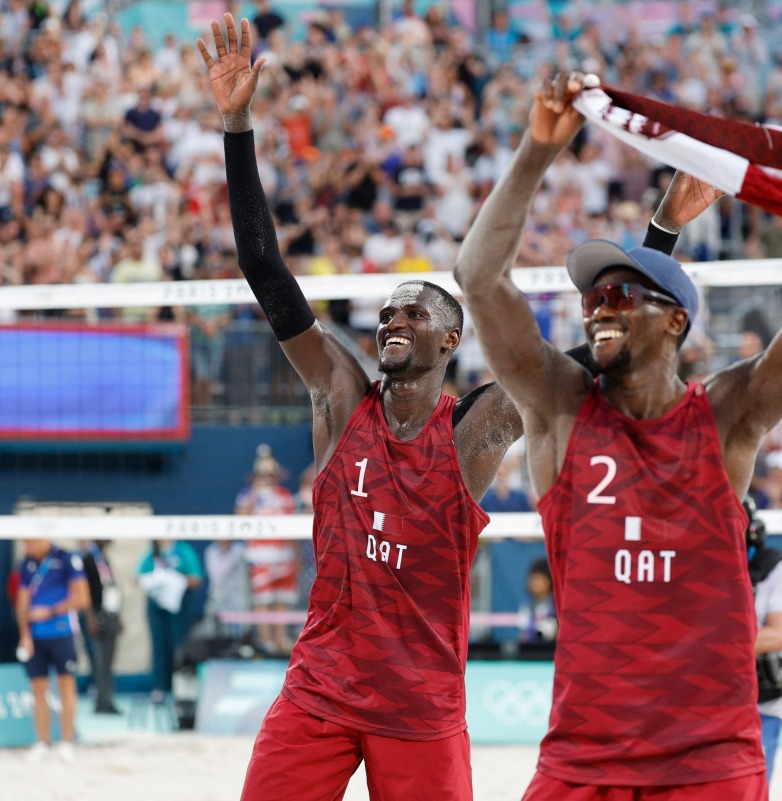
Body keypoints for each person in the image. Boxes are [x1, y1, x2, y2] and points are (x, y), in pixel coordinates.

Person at [454, 71, 782, 798]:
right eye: (592, 297)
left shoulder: (727, 414)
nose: (596, 309)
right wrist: (535, 150)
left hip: (707, 759)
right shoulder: (560, 408)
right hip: (583, 763)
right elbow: (479, 279)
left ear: (675, 320)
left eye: (619, 295)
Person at [197, 16, 596, 800]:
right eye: (386, 312)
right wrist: (238, 126)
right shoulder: (342, 396)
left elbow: (595, 359)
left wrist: (662, 236)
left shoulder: (474, 429)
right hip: (320, 690)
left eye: (412, 313)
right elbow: (262, 266)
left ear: (450, 338)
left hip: (420, 706)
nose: (392, 320)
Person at [744, 498, 782, 786]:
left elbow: (781, 635)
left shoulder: (780, 570)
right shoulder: (700, 564)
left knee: (753, 786)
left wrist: (713, 642)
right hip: (707, 700)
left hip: (761, 701)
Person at [15, 539, 90, 764]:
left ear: (44, 538)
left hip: (62, 633)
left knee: (66, 688)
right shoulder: (26, 563)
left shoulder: (66, 559)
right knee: (38, 690)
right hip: (36, 637)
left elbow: (82, 598)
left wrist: (50, 611)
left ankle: (67, 743)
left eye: (30, 539)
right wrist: (25, 635)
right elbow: (22, 603)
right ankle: (42, 742)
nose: (25, 543)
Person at [235, 444, 299, 655]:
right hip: (259, 557)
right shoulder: (247, 495)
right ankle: (265, 640)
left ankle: (280, 639)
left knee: (282, 599)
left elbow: (293, 528)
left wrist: (296, 556)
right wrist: (255, 489)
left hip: (283, 556)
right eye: (263, 474)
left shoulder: (285, 495)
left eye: (270, 474)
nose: (267, 478)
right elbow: (240, 519)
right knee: (263, 600)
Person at [137, 539, 204, 701]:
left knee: (179, 646)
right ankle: (160, 687)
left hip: (179, 607)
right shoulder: (150, 552)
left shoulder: (183, 551)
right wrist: (157, 581)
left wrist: (175, 580)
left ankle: (180, 688)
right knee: (159, 646)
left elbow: (197, 579)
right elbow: (137, 577)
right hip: (157, 606)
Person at [80, 539, 122, 715]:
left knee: (108, 660)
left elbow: (111, 588)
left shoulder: (103, 559)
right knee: (99, 661)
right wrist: (90, 617)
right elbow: (84, 591)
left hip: (109, 613)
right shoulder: (88, 560)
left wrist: (117, 616)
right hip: (96, 615)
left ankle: (107, 699)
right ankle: (101, 701)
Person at [517, 558, 557, 644]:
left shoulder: (556, 603)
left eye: (539, 579)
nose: (535, 584)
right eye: (532, 579)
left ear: (549, 581)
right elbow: (523, 629)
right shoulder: (527, 603)